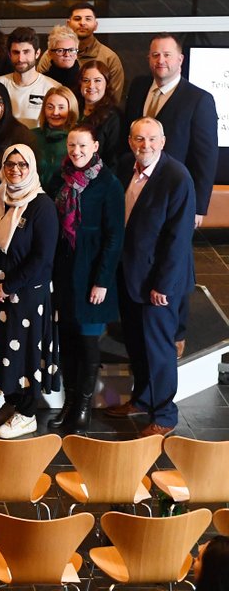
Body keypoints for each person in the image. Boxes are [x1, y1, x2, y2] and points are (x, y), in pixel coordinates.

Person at [112, 117, 195, 437]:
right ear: (130, 142)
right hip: (130, 275)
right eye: (138, 139)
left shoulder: (177, 177)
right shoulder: (124, 166)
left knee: (159, 349)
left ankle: (165, 414)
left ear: (162, 142)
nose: (144, 146)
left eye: (151, 140)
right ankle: (143, 399)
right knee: (136, 343)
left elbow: (178, 239)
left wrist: (163, 285)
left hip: (159, 283)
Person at [0, 145, 60, 439]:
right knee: (1, 350)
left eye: (22, 165)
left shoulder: (42, 205)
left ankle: (27, 414)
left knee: (22, 353)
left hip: (24, 296)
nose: (15, 170)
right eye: (10, 164)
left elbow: (42, 258)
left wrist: (8, 286)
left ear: (32, 167)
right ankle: (11, 402)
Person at [50, 124, 123, 435]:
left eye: (82, 146)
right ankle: (68, 403)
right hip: (65, 273)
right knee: (66, 338)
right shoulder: (60, 178)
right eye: (71, 146)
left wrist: (102, 281)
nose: (76, 152)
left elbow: (114, 237)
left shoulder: (109, 184)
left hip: (93, 273)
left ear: (95, 146)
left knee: (88, 341)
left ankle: (83, 406)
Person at [125, 34, 217, 228]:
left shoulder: (199, 100)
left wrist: (198, 206)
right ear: (148, 58)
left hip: (173, 193)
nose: (161, 60)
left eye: (167, 54)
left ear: (180, 59)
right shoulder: (137, 87)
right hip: (134, 188)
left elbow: (205, 157)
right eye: (155, 55)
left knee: (169, 253)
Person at [59, 3, 125, 102]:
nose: (82, 23)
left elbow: (113, 99)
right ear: (68, 24)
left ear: (96, 25)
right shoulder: (52, 55)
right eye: (77, 19)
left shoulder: (109, 58)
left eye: (88, 19)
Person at [0, 27, 59, 129]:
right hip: (4, 144)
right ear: (9, 54)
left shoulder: (53, 88)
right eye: (16, 52)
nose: (21, 58)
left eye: (26, 52)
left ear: (37, 53)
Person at [32, 86, 79, 196]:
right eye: (50, 107)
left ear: (70, 109)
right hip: (33, 200)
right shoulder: (31, 136)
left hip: (65, 202)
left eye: (61, 107)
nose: (55, 112)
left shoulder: (79, 139)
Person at [78, 60, 123, 164]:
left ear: (106, 84)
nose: (91, 86)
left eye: (97, 80)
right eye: (86, 80)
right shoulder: (73, 109)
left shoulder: (114, 117)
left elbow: (113, 159)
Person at [41, 24, 83, 101]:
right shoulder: (41, 82)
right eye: (60, 50)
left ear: (76, 53)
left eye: (71, 50)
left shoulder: (84, 80)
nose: (67, 55)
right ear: (50, 54)